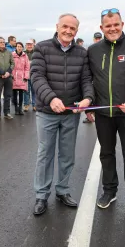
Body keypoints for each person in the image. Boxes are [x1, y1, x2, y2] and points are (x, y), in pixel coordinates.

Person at [30, 13, 94, 216]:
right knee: (45, 154)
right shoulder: (42, 48)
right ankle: (41, 195)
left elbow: (86, 80)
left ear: (77, 31)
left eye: (72, 28)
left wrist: (88, 99)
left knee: (67, 154)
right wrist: (51, 98)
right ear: (57, 26)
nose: (68, 31)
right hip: (47, 112)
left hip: (70, 113)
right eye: (65, 26)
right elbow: (37, 77)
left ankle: (63, 190)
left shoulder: (82, 53)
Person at [87, 8, 125, 217]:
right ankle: (109, 191)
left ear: (122, 24)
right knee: (106, 154)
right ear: (101, 28)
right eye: (108, 25)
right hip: (103, 114)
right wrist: (89, 105)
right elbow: (88, 80)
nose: (112, 28)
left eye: (116, 24)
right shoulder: (93, 51)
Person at [82, 32, 104, 124]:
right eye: (96, 38)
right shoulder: (90, 51)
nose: (98, 40)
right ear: (94, 39)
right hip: (92, 84)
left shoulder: (106, 50)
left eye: (100, 38)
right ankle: (89, 114)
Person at [0, 37, 14, 120]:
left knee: (7, 95)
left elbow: (12, 63)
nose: (2, 43)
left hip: (8, 77)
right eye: (0, 42)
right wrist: (2, 73)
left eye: (3, 42)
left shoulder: (9, 52)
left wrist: (8, 72)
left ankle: (7, 112)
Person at [12, 42, 30, 115]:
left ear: (22, 48)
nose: (19, 48)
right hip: (14, 77)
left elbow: (27, 67)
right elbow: (10, 66)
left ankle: (20, 109)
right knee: (15, 94)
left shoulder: (25, 56)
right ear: (16, 47)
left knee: (21, 94)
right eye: (18, 46)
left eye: (20, 46)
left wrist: (26, 76)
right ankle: (16, 108)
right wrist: (11, 75)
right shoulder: (12, 55)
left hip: (22, 77)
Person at [23, 39, 36, 112]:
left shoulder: (37, 53)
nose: (29, 46)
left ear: (33, 45)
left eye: (30, 44)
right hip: (26, 75)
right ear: (26, 45)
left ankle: (35, 105)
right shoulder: (23, 53)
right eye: (28, 44)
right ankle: (26, 105)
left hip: (35, 75)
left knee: (35, 91)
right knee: (26, 91)